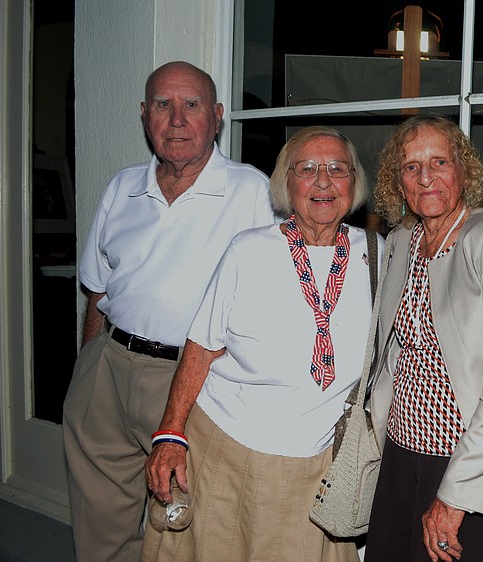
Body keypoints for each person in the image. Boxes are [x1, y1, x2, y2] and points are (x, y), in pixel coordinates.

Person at [62, 60, 278, 561]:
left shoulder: (252, 192)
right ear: (144, 115)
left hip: (192, 380)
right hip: (109, 367)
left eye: (191, 105)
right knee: (99, 522)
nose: (176, 119)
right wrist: (87, 369)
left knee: (185, 525)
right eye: (163, 105)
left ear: (217, 116)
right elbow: (97, 290)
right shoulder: (122, 188)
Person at [142, 126, 382, 562]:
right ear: (286, 185)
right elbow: (200, 347)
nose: (323, 181)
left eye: (337, 169)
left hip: (317, 462)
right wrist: (170, 434)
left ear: (355, 182)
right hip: (226, 449)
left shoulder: (380, 256)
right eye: (306, 169)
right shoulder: (248, 251)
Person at [365, 114, 483, 562]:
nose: (426, 178)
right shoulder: (401, 239)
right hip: (399, 457)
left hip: (468, 464)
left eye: (439, 162)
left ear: (463, 170)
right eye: (411, 166)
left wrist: (456, 494)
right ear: (397, 182)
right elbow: (392, 356)